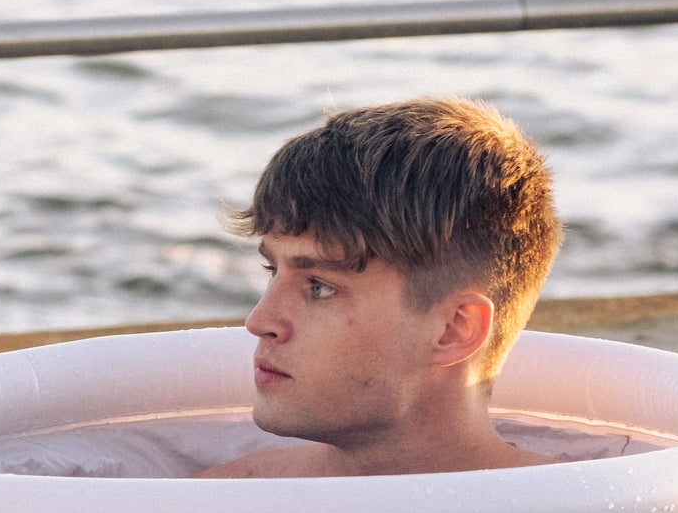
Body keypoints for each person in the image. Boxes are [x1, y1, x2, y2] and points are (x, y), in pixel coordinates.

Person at [196, 96, 560, 479]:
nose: (259, 321)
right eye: (273, 270)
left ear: (454, 329)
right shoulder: (213, 504)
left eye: (319, 287)